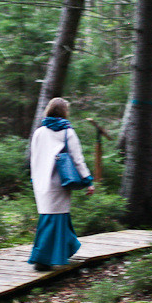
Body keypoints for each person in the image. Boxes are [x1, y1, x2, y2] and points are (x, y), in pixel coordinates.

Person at [28, 97, 96, 270]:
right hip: (60, 181)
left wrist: (34, 178)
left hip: (41, 180)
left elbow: (34, 158)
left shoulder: (39, 132)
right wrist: (88, 180)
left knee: (53, 216)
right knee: (53, 217)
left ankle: (66, 248)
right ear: (64, 112)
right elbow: (77, 159)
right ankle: (42, 260)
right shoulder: (67, 132)